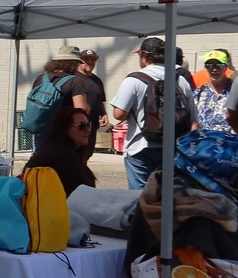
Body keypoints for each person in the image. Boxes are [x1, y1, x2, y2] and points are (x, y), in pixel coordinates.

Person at [111, 37, 198, 190]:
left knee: (139, 196)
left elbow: (119, 114)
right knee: (165, 194)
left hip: (140, 146)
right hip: (172, 146)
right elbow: (194, 121)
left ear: (144, 57)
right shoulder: (180, 80)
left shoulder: (133, 79)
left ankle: (142, 214)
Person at [23, 106, 97, 195]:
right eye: (82, 126)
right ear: (65, 128)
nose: (88, 130)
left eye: (88, 125)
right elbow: (86, 192)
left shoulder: (55, 149)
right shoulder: (62, 155)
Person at [30, 45, 97, 127]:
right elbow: (81, 111)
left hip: (41, 128)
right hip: (62, 131)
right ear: (73, 63)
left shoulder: (41, 78)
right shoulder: (75, 81)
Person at [77, 48, 108, 156]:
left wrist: (103, 113)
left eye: (93, 60)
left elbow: (99, 99)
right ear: (79, 61)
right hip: (78, 126)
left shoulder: (97, 80)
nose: (90, 62)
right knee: (76, 153)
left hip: (92, 125)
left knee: (87, 153)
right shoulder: (74, 78)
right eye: (86, 59)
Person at [195, 50, 235, 133]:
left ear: (226, 67)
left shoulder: (235, 90)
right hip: (206, 144)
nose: (214, 69)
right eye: (209, 65)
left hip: (231, 143)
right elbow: (194, 123)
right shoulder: (199, 93)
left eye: (219, 65)